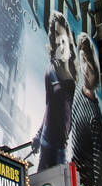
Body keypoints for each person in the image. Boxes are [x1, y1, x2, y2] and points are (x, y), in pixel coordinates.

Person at [32, 12, 77, 172]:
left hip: (60, 148)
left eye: (61, 35)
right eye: (56, 34)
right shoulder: (50, 69)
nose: (58, 39)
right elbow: (48, 106)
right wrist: (38, 135)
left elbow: (71, 113)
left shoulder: (72, 71)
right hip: (46, 144)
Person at [69, 34, 102, 186]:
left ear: (97, 72)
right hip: (69, 178)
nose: (86, 70)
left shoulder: (95, 118)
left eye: (90, 67)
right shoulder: (77, 89)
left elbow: (100, 171)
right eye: (83, 61)